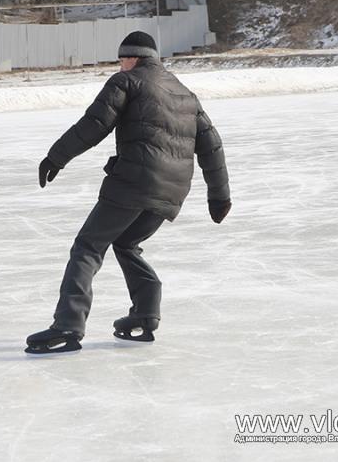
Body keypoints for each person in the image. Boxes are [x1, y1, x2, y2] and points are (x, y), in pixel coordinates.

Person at [24, 31, 231, 355]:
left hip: (133, 182)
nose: (120, 66)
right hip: (172, 191)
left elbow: (93, 124)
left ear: (133, 57)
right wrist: (219, 195)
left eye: (122, 59)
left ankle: (67, 325)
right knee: (126, 243)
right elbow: (211, 146)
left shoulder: (127, 82)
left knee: (87, 247)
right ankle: (145, 314)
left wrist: (56, 157)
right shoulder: (184, 93)